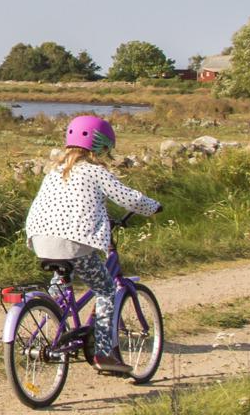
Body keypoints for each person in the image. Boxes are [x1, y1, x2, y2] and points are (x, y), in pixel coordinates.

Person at [23, 113, 159, 376]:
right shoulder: (95, 172)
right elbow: (128, 198)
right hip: (75, 243)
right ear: (100, 147)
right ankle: (104, 353)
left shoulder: (54, 171)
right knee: (106, 289)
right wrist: (153, 206)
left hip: (41, 240)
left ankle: (53, 319)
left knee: (62, 281)